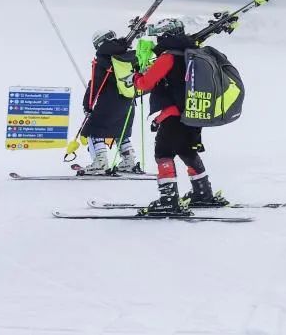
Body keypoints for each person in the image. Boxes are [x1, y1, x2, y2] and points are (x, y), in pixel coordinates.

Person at [130, 19, 228, 215]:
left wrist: (136, 76)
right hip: (193, 112)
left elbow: (145, 84)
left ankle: (168, 200)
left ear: (166, 36)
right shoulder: (191, 53)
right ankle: (203, 192)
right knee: (186, 150)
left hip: (174, 115)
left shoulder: (168, 57)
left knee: (163, 152)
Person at [80, 30, 140, 174]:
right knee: (121, 130)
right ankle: (129, 161)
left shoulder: (102, 58)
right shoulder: (128, 55)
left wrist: (87, 105)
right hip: (129, 101)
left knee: (93, 129)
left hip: (109, 101)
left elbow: (95, 83)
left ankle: (100, 162)